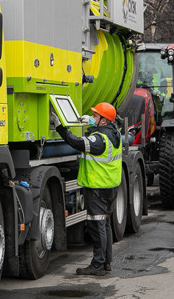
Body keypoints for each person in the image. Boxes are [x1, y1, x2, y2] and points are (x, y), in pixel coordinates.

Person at [51, 102, 122, 276]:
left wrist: (59, 127)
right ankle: (106, 263)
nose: (92, 117)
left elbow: (76, 142)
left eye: (95, 116)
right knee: (105, 225)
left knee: (96, 226)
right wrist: (90, 124)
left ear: (103, 121)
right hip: (110, 186)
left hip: (97, 188)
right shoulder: (114, 134)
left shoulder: (99, 139)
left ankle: (98, 265)